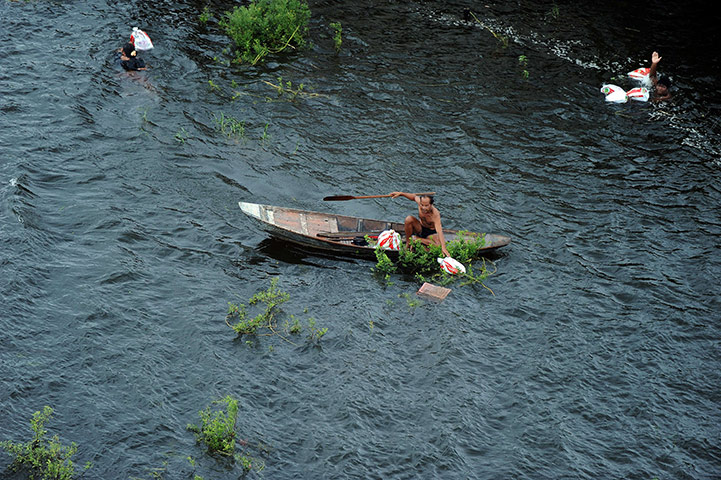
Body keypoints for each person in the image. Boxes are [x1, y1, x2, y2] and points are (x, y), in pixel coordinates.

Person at [390, 191, 450, 257]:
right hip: (420, 228)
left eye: (426, 206)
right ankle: (408, 243)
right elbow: (413, 196)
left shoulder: (435, 214)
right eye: (422, 205)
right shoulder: (420, 202)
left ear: (431, 204)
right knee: (409, 219)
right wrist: (401, 194)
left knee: (438, 246)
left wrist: (443, 247)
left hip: (430, 233)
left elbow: (439, 230)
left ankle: (417, 239)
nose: (423, 208)